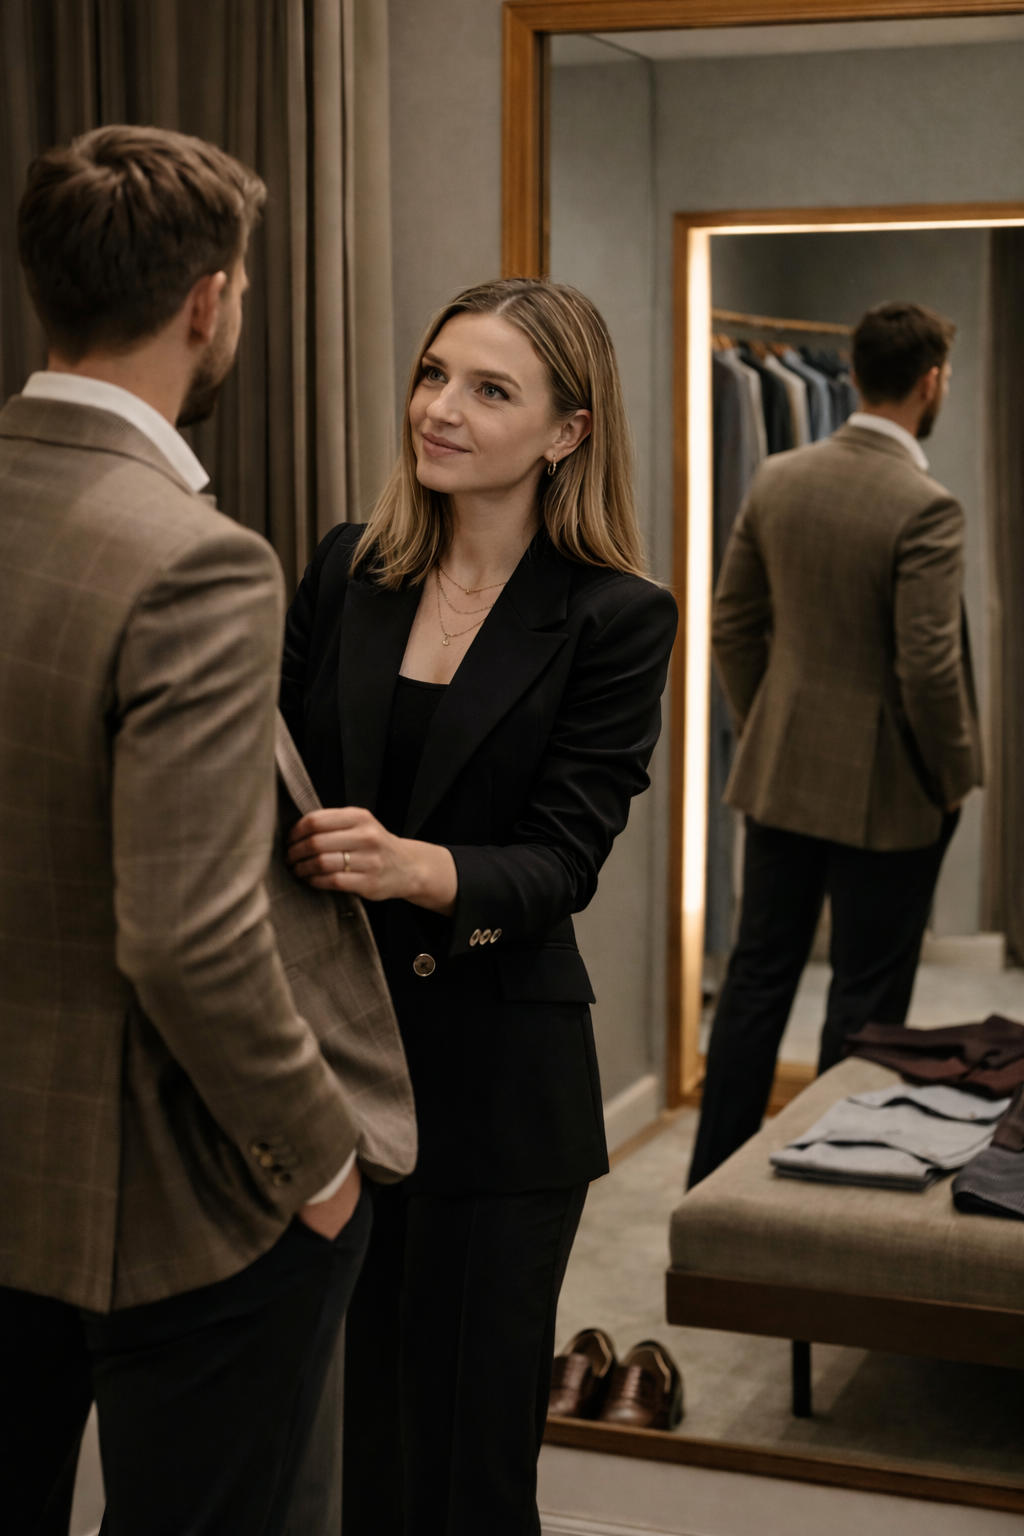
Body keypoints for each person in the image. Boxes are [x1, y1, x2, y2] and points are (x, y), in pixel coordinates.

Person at [0, 125, 414, 1536]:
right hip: (175, 1197)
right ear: (210, 302)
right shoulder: (193, 558)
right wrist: (322, 1162)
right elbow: (186, 934)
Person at [280, 277, 678, 1534]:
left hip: (496, 1085)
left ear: (567, 431)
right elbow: (276, 770)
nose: (439, 409)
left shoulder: (617, 618)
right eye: (432, 373)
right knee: (357, 1446)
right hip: (326, 1063)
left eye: (489, 389)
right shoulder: (351, 566)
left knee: (470, 1465)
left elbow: (564, 862)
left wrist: (415, 867)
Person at [688, 301, 983, 1189]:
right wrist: (955, 777)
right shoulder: (925, 505)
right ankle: (825, 1185)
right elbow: (929, 669)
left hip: (780, 776)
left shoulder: (778, 478)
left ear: (853, 373)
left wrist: (775, 719)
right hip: (889, 794)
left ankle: (713, 1180)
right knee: (864, 1003)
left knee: (754, 987)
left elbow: (733, 626)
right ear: (931, 382)